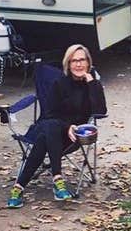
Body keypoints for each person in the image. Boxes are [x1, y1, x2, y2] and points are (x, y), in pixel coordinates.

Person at [7, 44, 107, 208]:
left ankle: (18, 188)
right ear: (68, 64)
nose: (78, 64)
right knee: (51, 126)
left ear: (88, 63)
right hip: (52, 125)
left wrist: (92, 84)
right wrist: (67, 126)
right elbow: (49, 114)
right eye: (74, 61)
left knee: (43, 139)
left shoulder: (93, 85)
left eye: (82, 60)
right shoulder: (59, 83)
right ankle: (58, 179)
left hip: (72, 136)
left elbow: (100, 111)